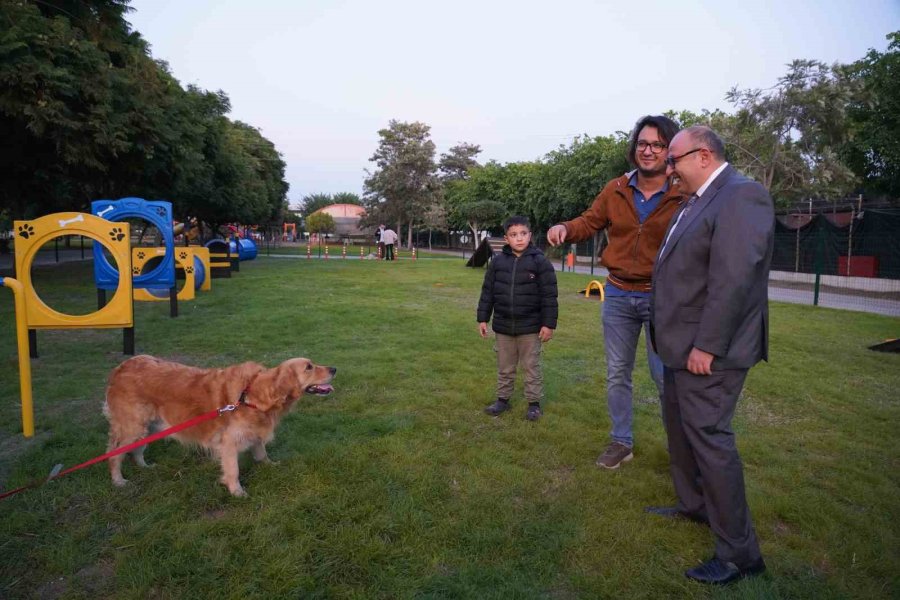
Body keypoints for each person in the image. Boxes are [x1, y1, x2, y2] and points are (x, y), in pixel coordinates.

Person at [647, 125, 773, 585]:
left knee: (711, 441)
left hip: (709, 352)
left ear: (703, 156)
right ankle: (694, 506)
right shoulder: (696, 199)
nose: (668, 169)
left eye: (673, 159)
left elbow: (733, 281)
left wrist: (708, 346)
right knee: (681, 432)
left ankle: (740, 555)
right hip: (678, 346)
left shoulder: (741, 196)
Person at [546, 115, 686, 469]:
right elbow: (590, 221)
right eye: (642, 143)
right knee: (617, 373)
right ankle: (621, 442)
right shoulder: (617, 188)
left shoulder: (682, 192)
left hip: (662, 299)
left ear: (670, 150)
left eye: (657, 145)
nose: (648, 151)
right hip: (619, 295)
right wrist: (565, 227)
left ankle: (681, 449)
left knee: (665, 377)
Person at [477, 216, 558, 421]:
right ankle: (502, 400)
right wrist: (483, 318)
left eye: (523, 234)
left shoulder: (540, 262)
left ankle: (534, 404)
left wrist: (548, 324)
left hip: (530, 327)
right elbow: (488, 292)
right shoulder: (497, 262)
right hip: (503, 326)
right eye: (514, 235)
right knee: (505, 367)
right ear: (506, 239)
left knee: (531, 367)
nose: (519, 238)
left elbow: (549, 296)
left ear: (530, 235)